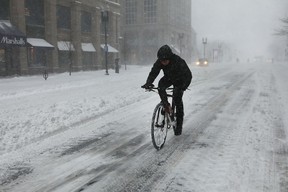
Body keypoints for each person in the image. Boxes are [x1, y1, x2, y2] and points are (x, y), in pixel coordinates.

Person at [142, 45, 192, 135]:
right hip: (169, 78)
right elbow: (154, 72)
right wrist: (148, 83)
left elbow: (188, 75)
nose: (163, 62)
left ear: (170, 57)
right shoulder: (160, 61)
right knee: (161, 85)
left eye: (165, 61)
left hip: (181, 80)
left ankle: (179, 126)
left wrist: (183, 87)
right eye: (161, 61)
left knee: (177, 98)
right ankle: (166, 105)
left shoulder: (178, 61)